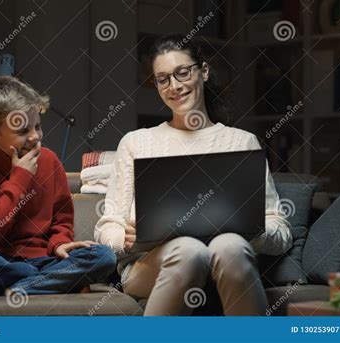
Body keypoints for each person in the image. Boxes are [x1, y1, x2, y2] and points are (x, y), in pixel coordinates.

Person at [94, 35, 292, 315]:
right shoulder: (136, 142)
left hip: (227, 262)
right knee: (188, 250)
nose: (174, 86)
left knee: (231, 245)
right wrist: (124, 238)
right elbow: (107, 224)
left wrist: (252, 228)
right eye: (162, 79)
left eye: (182, 73)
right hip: (151, 266)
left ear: (204, 71)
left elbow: (281, 230)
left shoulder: (241, 142)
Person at [0, 76, 116, 296]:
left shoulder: (50, 161)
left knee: (104, 256)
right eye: (23, 131)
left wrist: (59, 243)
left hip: (46, 261)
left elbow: (61, 219)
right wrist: (19, 178)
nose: (35, 137)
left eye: (37, 127)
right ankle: (43, 282)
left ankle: (5, 287)